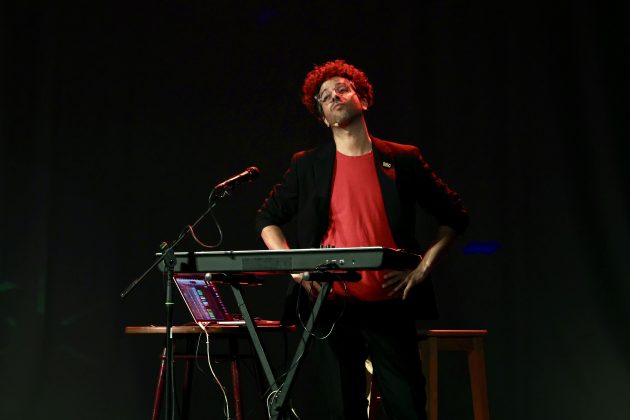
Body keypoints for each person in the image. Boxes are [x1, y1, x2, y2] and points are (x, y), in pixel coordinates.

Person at [255, 59, 469, 420]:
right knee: (343, 409)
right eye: (325, 97)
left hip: (390, 304)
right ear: (323, 118)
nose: (334, 97)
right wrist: (295, 269)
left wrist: (422, 268)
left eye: (342, 89)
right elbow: (266, 219)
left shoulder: (403, 159)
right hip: (330, 306)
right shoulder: (307, 164)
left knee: (408, 407)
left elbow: (455, 215)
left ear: (363, 100)